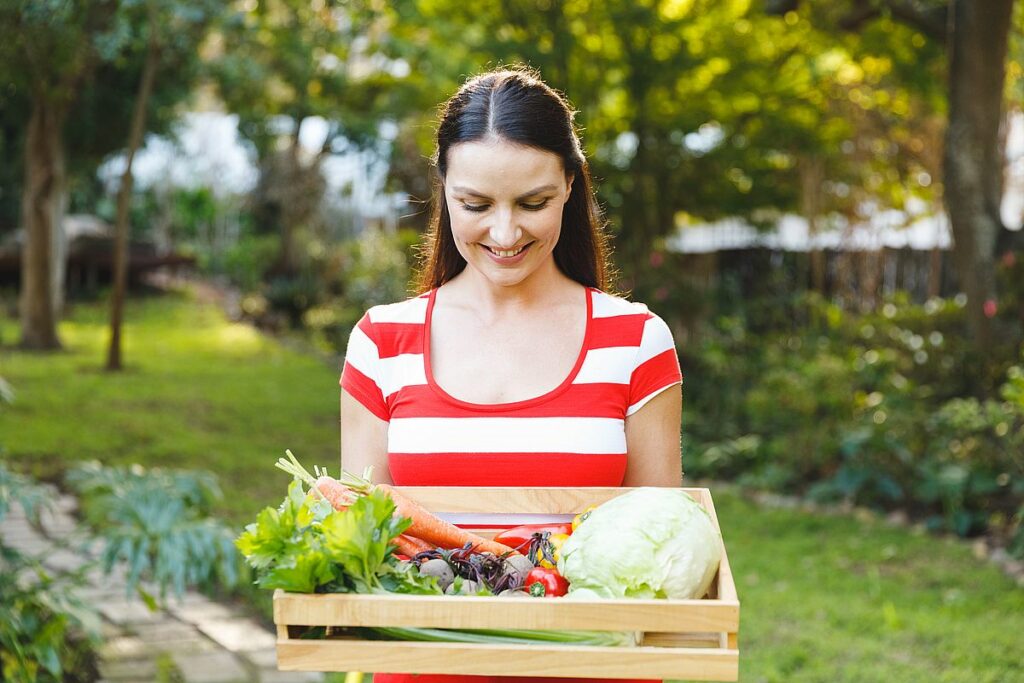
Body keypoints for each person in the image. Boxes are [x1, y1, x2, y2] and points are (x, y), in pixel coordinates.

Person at [340, 67, 682, 683]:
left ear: (570, 187)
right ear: (443, 189)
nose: (504, 233)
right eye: (475, 205)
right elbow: (367, 548)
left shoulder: (634, 342)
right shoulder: (381, 342)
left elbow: (660, 549)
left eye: (533, 203)